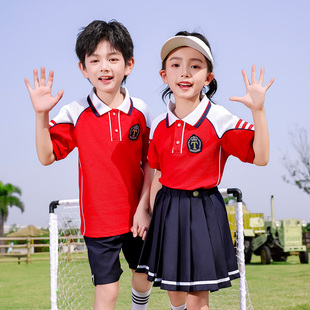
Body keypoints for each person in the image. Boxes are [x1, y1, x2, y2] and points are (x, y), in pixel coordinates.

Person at [136, 31, 274, 310]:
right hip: (167, 208)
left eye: (195, 65)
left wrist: (258, 111)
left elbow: (261, 157)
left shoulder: (219, 118)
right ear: (164, 75)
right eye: (176, 65)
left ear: (208, 77)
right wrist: (146, 209)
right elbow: (158, 174)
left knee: (198, 299)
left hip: (202, 209)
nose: (184, 73)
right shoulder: (160, 124)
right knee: (174, 293)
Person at [25, 20, 153, 310]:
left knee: (144, 278)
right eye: (94, 60)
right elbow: (46, 156)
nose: (104, 67)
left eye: (112, 58)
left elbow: (151, 164)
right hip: (99, 222)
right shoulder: (75, 111)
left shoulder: (142, 112)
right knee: (107, 293)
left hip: (138, 218)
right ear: (83, 68)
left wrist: (144, 207)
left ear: (129, 64)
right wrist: (41, 116)